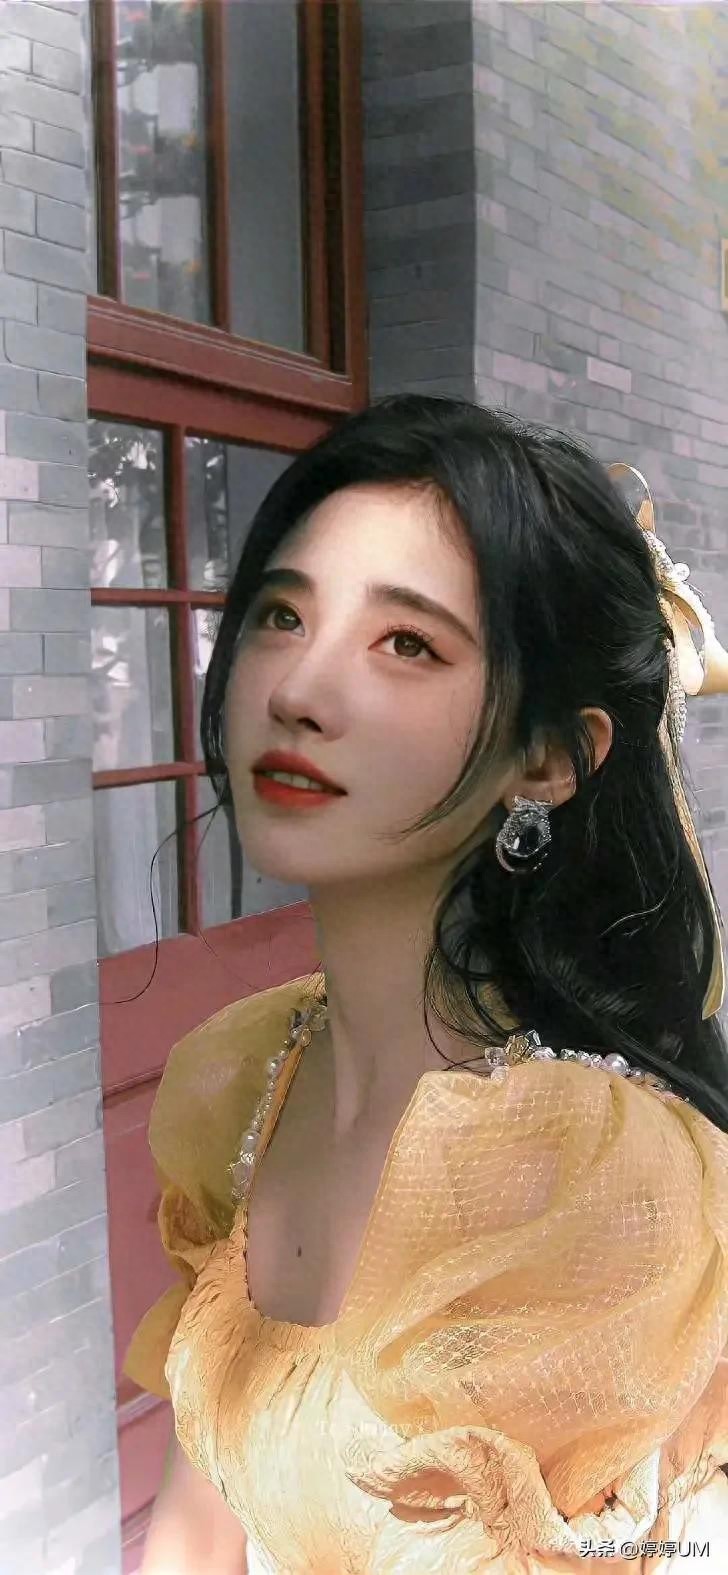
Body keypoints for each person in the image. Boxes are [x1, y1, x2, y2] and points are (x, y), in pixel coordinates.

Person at [124, 396, 728, 1574]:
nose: (298, 688)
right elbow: (197, 1516)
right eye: (281, 614)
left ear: (546, 759)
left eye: (406, 643)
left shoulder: (585, 1178)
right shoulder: (249, 1076)